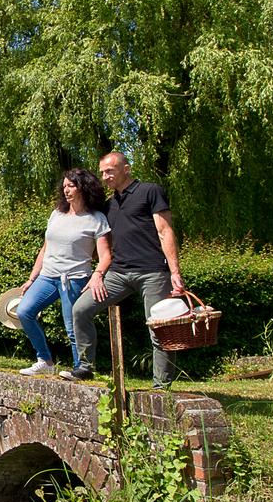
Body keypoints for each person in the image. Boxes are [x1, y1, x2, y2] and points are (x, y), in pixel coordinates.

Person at [67, 152, 186, 387]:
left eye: (110, 171)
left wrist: (175, 272)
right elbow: (102, 244)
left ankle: (161, 388)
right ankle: (86, 367)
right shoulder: (109, 205)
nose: (105, 176)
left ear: (126, 169)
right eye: (102, 172)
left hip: (152, 272)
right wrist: (98, 273)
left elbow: (165, 231)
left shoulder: (150, 191)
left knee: (159, 327)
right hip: (118, 274)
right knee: (81, 309)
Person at [15, 169, 113, 376]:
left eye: (71, 186)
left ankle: (81, 369)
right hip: (47, 276)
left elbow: (105, 255)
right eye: (64, 186)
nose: (66, 190)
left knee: (72, 327)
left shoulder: (96, 219)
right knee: (24, 311)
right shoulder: (56, 214)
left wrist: (98, 275)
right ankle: (45, 360)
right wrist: (32, 278)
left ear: (83, 187)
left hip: (75, 279)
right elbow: (45, 249)